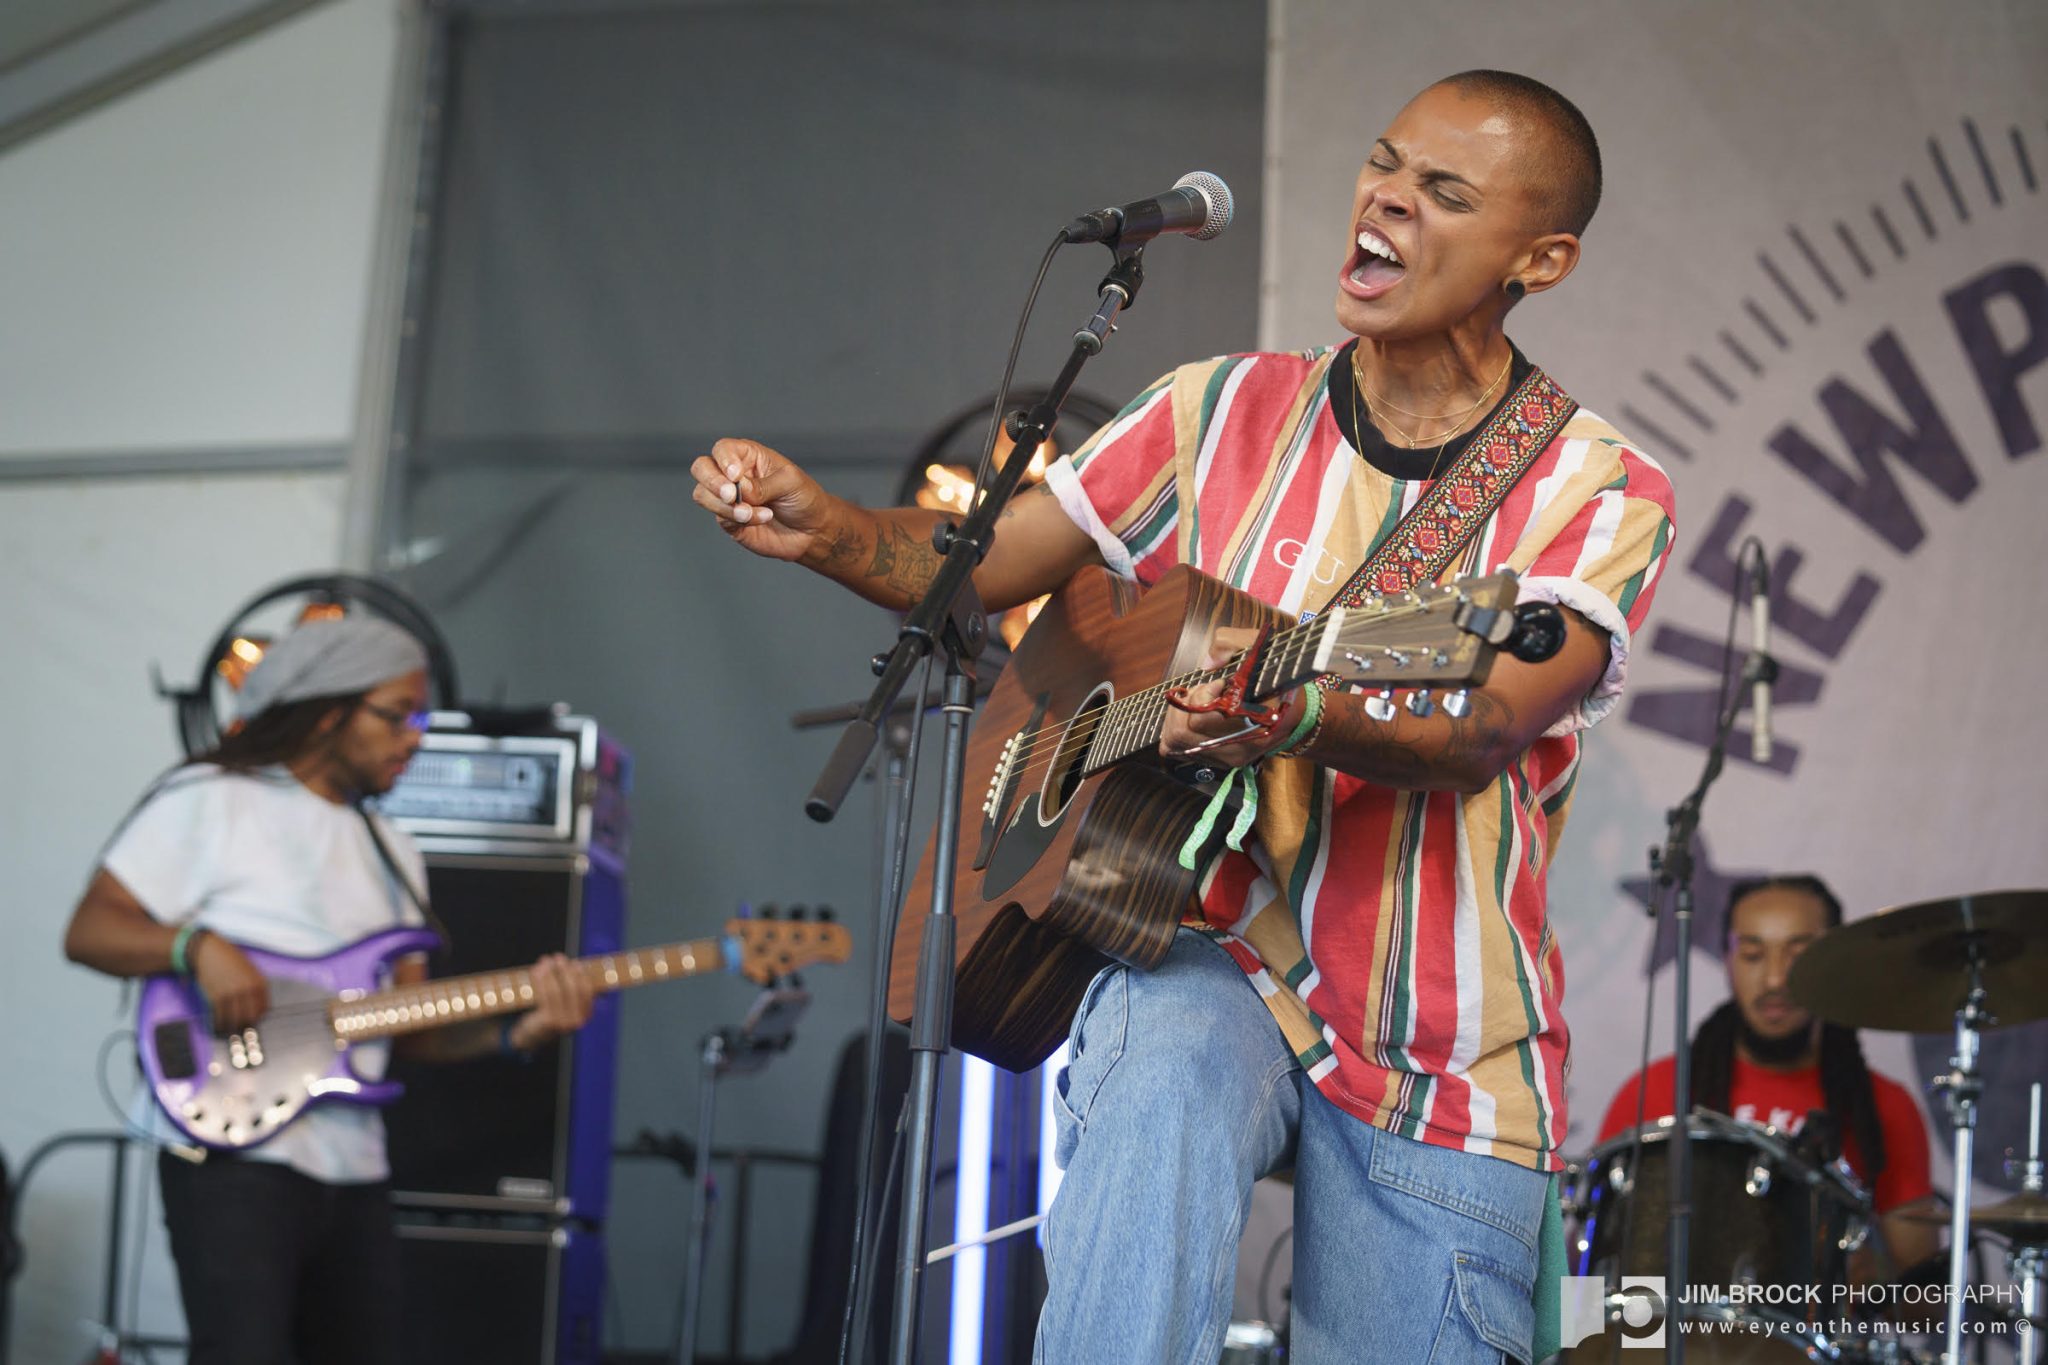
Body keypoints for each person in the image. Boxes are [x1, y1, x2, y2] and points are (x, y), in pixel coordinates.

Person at [695, 70, 1676, 1364]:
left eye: (1444, 192)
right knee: (1162, 1063)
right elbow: (985, 564)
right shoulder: (1218, 407)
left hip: (1444, 1031)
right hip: (1198, 939)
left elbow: (1487, 720)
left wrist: (1293, 714)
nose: (1386, 198)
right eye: (1385, 165)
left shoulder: (1596, 487)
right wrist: (830, 533)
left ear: (1540, 258)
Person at [62, 615, 596, 1365]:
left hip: (355, 1169)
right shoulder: (213, 798)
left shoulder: (396, 853)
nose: (415, 737)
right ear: (327, 708)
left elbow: (411, 1028)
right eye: (398, 715)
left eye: (421, 720)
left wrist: (519, 1032)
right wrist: (196, 946)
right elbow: (88, 930)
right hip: (233, 1157)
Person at [1596, 875, 1941, 1279]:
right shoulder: (1653, 1091)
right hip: (1669, 1339)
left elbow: (1927, 1308)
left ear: (1832, 960)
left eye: (1798, 953)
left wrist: (1872, 1275)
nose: (1775, 979)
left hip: (1811, 1338)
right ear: (1727, 958)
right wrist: (1580, 1342)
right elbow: (1585, 1261)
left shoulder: (1885, 1106)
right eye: (1753, 954)